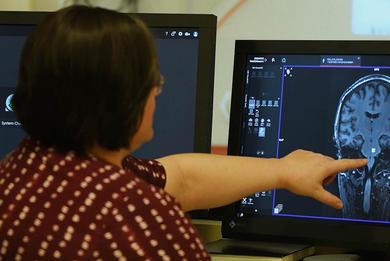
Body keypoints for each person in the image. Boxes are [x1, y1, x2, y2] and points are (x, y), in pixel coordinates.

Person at [0, 5, 367, 260]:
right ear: (126, 101)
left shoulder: (17, 175)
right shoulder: (140, 219)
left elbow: (180, 179)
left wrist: (285, 171)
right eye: (154, 85)